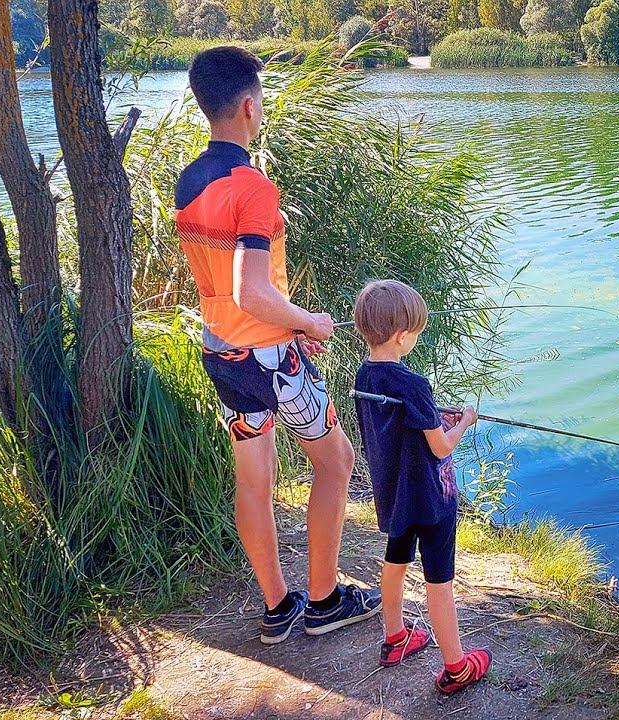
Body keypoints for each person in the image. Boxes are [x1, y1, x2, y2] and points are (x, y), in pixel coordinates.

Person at [174, 46, 381, 644]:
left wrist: (282, 324)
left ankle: (277, 610)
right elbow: (252, 291)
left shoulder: (190, 181)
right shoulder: (253, 186)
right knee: (337, 461)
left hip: (222, 355)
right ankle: (323, 600)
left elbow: (222, 285)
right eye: (259, 100)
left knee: (254, 481)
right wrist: (308, 323)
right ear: (247, 105)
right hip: (271, 356)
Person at [351, 279, 492, 695]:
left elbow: (399, 425)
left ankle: (395, 637)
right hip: (432, 498)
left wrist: (431, 413)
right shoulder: (412, 384)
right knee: (439, 579)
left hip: (394, 494)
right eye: (415, 331)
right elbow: (442, 445)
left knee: (396, 559)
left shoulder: (364, 375)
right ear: (401, 335)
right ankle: (456, 666)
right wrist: (464, 420)